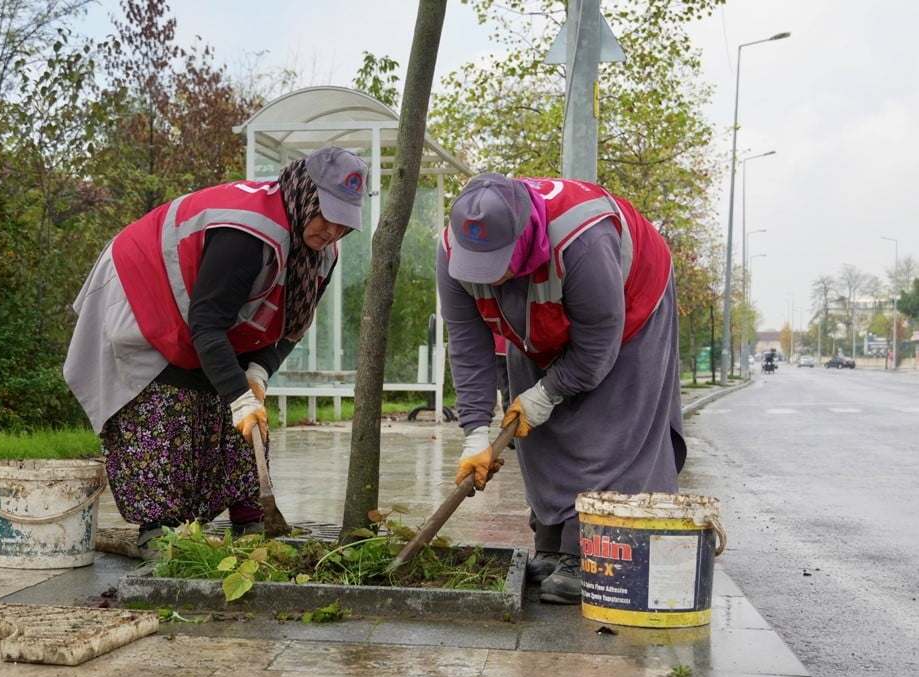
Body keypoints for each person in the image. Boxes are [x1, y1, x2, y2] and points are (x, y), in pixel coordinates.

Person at [64, 145, 369, 558]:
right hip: (143, 294)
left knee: (244, 409)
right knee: (172, 403)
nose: (333, 232)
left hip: (206, 316)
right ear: (306, 197)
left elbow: (293, 326)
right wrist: (237, 395)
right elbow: (206, 322)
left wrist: (258, 373)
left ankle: (251, 517)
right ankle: (161, 531)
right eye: (327, 217)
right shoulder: (246, 233)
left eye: (344, 225)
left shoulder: (321, 254)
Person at [437, 172, 686, 605]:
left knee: (607, 429)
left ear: (523, 238)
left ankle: (587, 551)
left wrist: (547, 392)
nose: (489, 281)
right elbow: (467, 343)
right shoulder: (453, 251)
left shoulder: (584, 241)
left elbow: (595, 349)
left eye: (496, 267)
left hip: (629, 310)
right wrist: (474, 431)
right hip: (537, 318)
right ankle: (551, 543)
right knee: (532, 426)